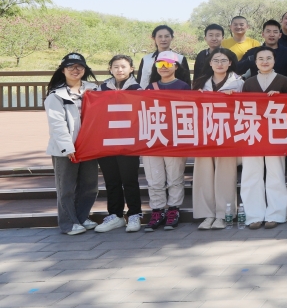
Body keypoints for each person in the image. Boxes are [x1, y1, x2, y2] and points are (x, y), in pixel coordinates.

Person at [46, 53, 100, 235]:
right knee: (66, 188)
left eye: (79, 66)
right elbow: (57, 124)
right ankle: (68, 223)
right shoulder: (56, 95)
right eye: (70, 67)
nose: (75, 70)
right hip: (67, 149)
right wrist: (67, 147)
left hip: (89, 147)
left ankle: (82, 217)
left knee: (90, 185)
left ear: (85, 69)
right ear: (63, 70)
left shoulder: (93, 90)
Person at [241, 47, 287, 229]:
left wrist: (281, 98)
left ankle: (276, 214)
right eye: (261, 58)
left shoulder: (283, 81)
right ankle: (253, 215)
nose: (265, 61)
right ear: (255, 62)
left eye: (268, 58)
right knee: (251, 174)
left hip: (275, 134)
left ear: (274, 60)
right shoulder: (248, 83)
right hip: (252, 133)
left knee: (275, 173)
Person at [192, 48, 242, 231]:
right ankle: (207, 214)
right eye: (216, 60)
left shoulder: (239, 83)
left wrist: (234, 98)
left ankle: (223, 214)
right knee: (203, 174)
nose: (220, 64)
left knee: (226, 175)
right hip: (204, 133)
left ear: (230, 63)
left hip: (228, 134)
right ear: (210, 63)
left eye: (224, 60)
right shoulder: (200, 82)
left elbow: (248, 107)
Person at [95, 55, 143, 233]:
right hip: (106, 140)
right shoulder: (100, 89)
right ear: (110, 69)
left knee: (129, 179)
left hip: (129, 141)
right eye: (115, 66)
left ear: (131, 68)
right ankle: (115, 215)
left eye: (123, 66)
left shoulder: (138, 89)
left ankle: (134, 214)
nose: (119, 70)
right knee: (111, 180)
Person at [143, 51, 190, 232]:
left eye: (168, 64)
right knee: (154, 178)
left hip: (174, 138)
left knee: (174, 176)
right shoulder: (150, 87)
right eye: (160, 64)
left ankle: (173, 210)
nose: (164, 68)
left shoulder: (183, 86)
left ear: (176, 66)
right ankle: (157, 211)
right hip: (153, 137)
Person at [238, 20, 287, 88]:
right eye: (268, 31)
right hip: (256, 91)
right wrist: (251, 60)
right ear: (263, 34)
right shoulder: (252, 52)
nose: (272, 35)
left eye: (275, 32)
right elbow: (238, 70)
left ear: (280, 35)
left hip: (281, 92)